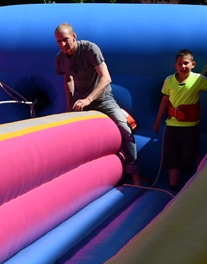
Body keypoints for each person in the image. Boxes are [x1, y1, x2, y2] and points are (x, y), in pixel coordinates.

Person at [54, 23, 141, 185]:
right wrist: (69, 105)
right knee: (67, 133)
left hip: (103, 99)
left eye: (65, 39)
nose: (63, 44)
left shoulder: (89, 49)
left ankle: (135, 176)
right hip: (80, 102)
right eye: (59, 41)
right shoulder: (60, 58)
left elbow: (106, 78)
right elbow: (68, 79)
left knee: (126, 129)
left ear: (74, 36)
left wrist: (89, 99)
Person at [152, 49, 207, 191]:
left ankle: (187, 164)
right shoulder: (169, 80)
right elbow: (165, 100)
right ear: (175, 66)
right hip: (172, 125)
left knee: (187, 154)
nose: (183, 66)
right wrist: (158, 120)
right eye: (180, 64)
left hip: (191, 126)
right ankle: (172, 187)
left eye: (186, 63)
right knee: (172, 157)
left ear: (193, 64)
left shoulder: (198, 79)